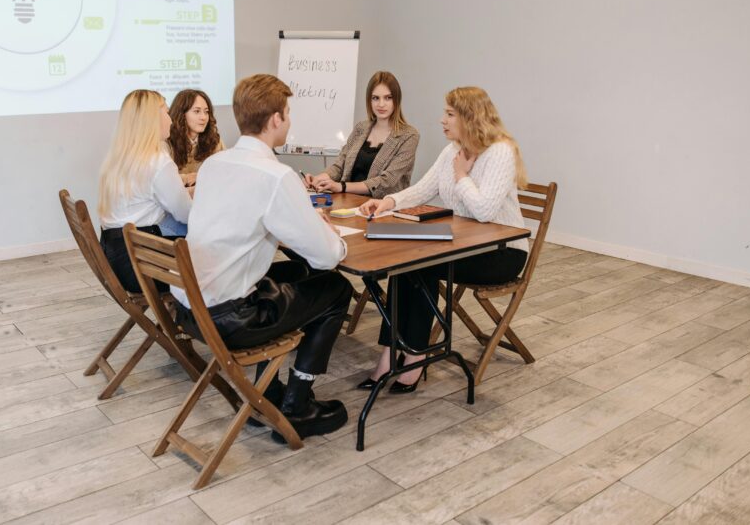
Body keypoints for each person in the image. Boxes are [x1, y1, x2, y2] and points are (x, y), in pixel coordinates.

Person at [173, 74, 354, 442]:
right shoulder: (277, 176)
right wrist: (327, 232)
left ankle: (267, 393)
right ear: (275, 119)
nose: (289, 120)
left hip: (191, 309)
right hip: (230, 319)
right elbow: (327, 257)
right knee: (336, 288)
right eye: (288, 113)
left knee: (293, 271)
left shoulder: (214, 165)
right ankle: (297, 405)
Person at [357, 86, 529, 393]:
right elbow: (423, 189)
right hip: (463, 243)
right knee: (405, 263)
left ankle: (414, 356)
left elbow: (484, 211)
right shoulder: (452, 150)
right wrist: (388, 202)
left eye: (449, 114)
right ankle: (391, 352)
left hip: (501, 253)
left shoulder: (500, 151)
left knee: (420, 265)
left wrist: (462, 176)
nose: (442, 120)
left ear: (469, 117)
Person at [97, 90, 192, 293]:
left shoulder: (120, 158)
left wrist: (181, 187)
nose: (171, 120)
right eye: (166, 113)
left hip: (117, 259)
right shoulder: (158, 162)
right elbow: (186, 214)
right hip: (143, 268)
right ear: (152, 119)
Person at [305, 71, 419, 198]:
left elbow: (387, 181)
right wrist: (318, 179)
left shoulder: (409, 136)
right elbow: (340, 165)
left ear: (396, 100)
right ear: (369, 100)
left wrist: (342, 187)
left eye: (388, 98)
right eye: (375, 98)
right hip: (347, 203)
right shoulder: (361, 128)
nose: (381, 104)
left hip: (383, 206)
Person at [167, 89, 224, 188]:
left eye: (206, 112)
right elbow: (163, 180)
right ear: (181, 114)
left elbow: (224, 171)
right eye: (197, 111)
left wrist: (201, 176)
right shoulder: (167, 142)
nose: (203, 117)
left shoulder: (214, 140)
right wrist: (188, 178)